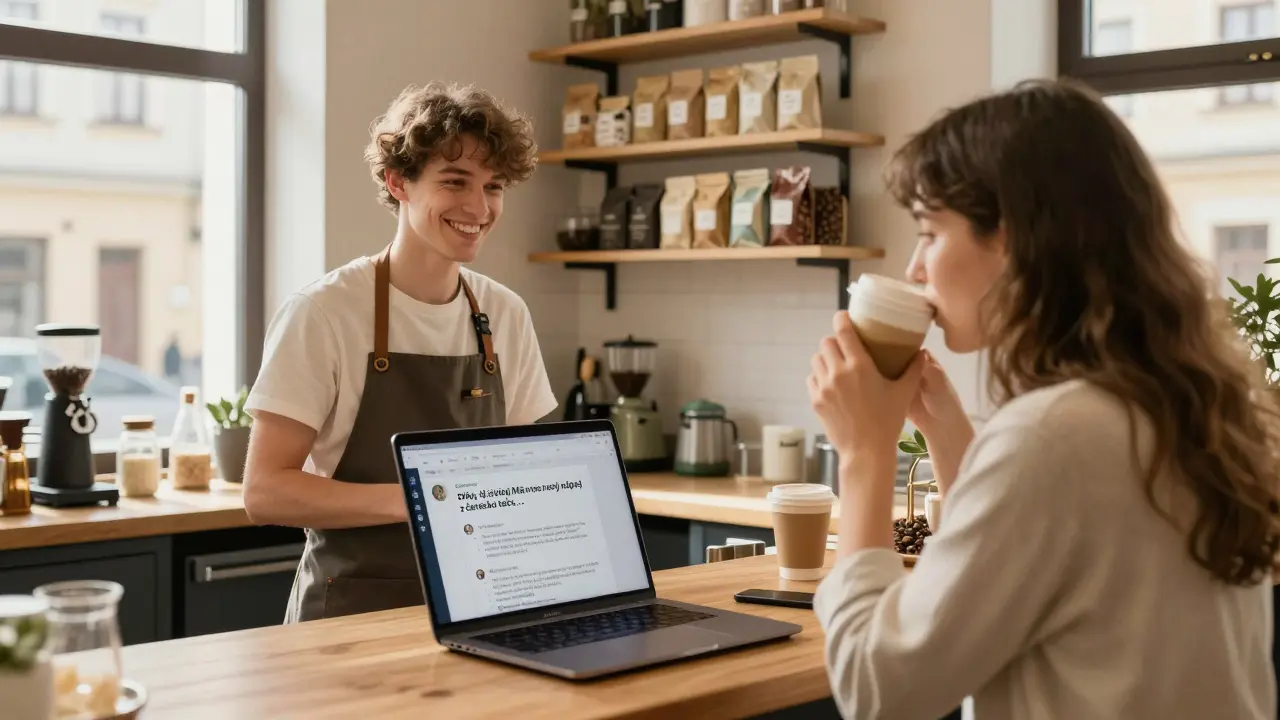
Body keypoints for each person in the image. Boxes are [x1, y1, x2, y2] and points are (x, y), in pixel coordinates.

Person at [806, 78, 1279, 719]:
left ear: (1010, 235)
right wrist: (948, 436)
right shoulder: (1175, 403)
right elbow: (1043, 564)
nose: (916, 268)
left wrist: (863, 455)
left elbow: (878, 689)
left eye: (930, 233)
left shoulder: (1052, 436)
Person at [242, 82, 557, 623]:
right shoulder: (325, 313)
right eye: (455, 181)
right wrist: (419, 499)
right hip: (350, 615)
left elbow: (528, 470)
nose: (479, 207)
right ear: (398, 183)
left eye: (494, 186)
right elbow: (266, 491)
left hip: (482, 605)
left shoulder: (505, 315)